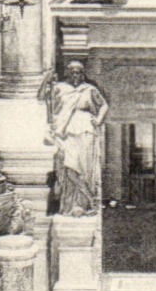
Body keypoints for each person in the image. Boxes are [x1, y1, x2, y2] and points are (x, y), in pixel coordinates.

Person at [38, 61, 109, 217]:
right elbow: (42, 96)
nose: (76, 75)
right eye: (73, 72)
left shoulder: (89, 89)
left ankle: (84, 204)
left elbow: (104, 105)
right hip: (66, 130)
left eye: (79, 72)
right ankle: (68, 205)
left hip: (85, 130)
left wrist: (98, 120)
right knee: (68, 166)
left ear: (83, 73)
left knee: (84, 167)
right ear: (68, 73)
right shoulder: (59, 88)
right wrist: (46, 79)